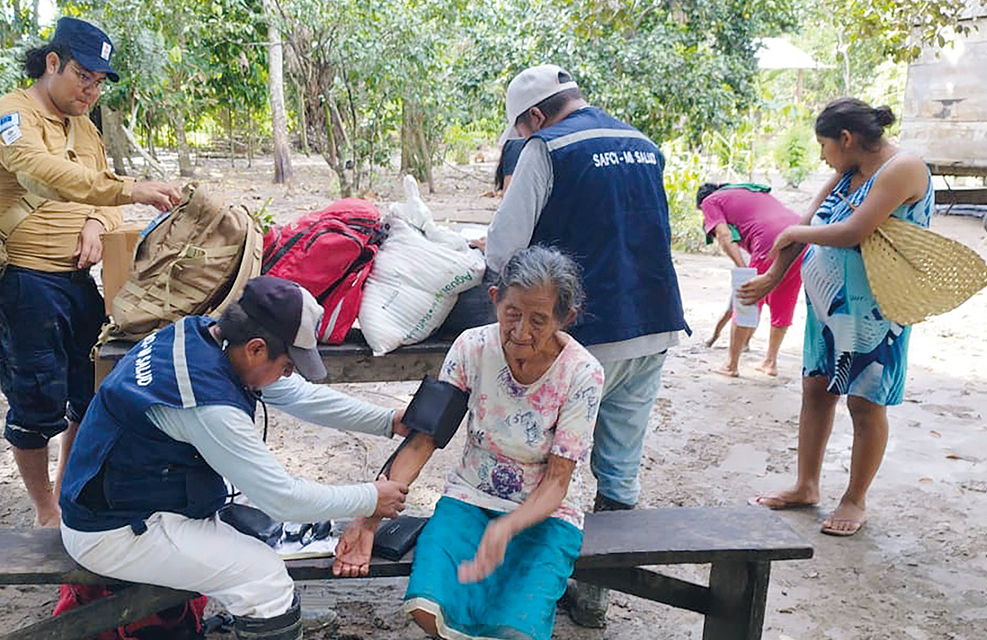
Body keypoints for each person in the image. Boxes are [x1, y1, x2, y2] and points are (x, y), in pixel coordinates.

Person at [58, 276, 411, 640]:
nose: (288, 374)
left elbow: (296, 395)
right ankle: (272, 616)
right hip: (112, 532)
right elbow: (284, 500)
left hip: (128, 494)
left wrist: (386, 421)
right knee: (265, 577)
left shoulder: (202, 332)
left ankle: (271, 622)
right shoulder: (207, 403)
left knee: (258, 526)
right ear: (256, 349)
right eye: (288, 364)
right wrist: (371, 497)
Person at [483, 64, 689, 627]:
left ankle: (530, 582)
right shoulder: (641, 142)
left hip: (584, 337)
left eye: (520, 131)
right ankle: (597, 597)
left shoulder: (547, 149)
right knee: (619, 466)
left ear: (532, 116)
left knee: (540, 458)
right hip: (652, 320)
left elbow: (503, 249)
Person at [332, 246, 604, 640]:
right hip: (469, 497)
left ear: (566, 319)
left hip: (545, 513)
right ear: (495, 299)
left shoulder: (582, 374)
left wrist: (507, 527)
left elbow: (558, 483)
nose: (521, 332)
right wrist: (368, 518)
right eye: (512, 313)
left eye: (539, 320)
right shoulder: (470, 347)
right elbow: (423, 439)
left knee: (515, 629)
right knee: (427, 607)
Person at [0, 17, 182, 528]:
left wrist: (96, 221)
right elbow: (42, 173)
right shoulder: (12, 115)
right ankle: (45, 512)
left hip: (76, 283)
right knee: (36, 399)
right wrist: (130, 190)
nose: (91, 90)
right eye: (83, 76)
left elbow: (100, 191)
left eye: (98, 81)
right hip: (23, 281)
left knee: (92, 388)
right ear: (52, 63)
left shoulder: (85, 128)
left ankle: (69, 490)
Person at [741, 98, 933, 537]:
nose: (822, 154)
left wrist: (793, 232)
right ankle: (806, 485)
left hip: (876, 310)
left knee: (865, 402)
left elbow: (852, 231)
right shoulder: (848, 171)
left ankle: (854, 498)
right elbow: (811, 221)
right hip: (828, 307)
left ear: (846, 139)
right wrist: (772, 277)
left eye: (823, 144)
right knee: (816, 390)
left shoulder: (903, 168)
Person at [697, 183, 804, 377]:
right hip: (801, 233)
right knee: (785, 297)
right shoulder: (747, 190)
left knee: (747, 298)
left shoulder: (710, 201)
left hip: (769, 238)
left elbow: (723, 234)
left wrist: (742, 269)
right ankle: (770, 362)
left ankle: (731, 365)